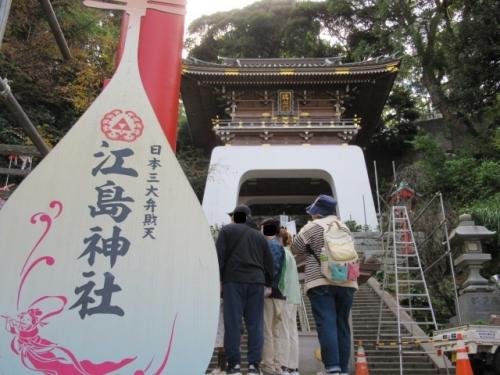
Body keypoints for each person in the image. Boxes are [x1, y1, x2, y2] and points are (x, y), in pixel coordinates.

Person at [291, 195, 358, 375]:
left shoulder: (312, 226)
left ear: (316, 212)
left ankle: (332, 368)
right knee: (342, 324)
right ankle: (343, 369)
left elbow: (296, 247)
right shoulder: (344, 227)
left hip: (321, 280)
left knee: (326, 322)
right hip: (347, 279)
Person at [216, 204, 274, 375]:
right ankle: (253, 366)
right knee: (255, 324)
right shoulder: (259, 236)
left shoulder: (226, 231)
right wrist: (269, 284)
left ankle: (234, 365)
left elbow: (219, 256)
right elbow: (269, 262)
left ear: (235, 216)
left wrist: (218, 279)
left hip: (233, 281)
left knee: (232, 323)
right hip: (256, 282)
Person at [260, 218, 286, 375]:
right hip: (279, 294)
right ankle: (276, 365)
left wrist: (267, 286)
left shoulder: (272, 245)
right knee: (275, 331)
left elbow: (273, 268)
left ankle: (268, 365)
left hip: (271, 293)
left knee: (267, 331)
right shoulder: (278, 245)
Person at [278, 228, 301, 375]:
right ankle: (294, 367)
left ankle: (283, 365)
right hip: (294, 297)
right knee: (292, 332)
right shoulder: (290, 254)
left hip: (285, 296)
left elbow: (282, 277)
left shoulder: (283, 254)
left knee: (283, 331)